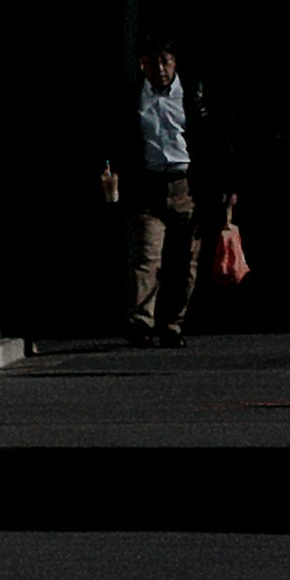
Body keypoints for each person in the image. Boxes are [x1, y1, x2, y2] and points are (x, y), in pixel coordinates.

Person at [100, 34, 229, 347]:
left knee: (187, 258)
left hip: (185, 184)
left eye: (165, 62)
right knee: (147, 256)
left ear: (174, 64)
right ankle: (141, 321)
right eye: (152, 62)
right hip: (147, 184)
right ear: (142, 64)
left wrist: (224, 185)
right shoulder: (132, 98)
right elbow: (117, 137)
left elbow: (217, 141)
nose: (160, 69)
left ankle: (174, 322)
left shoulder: (192, 95)